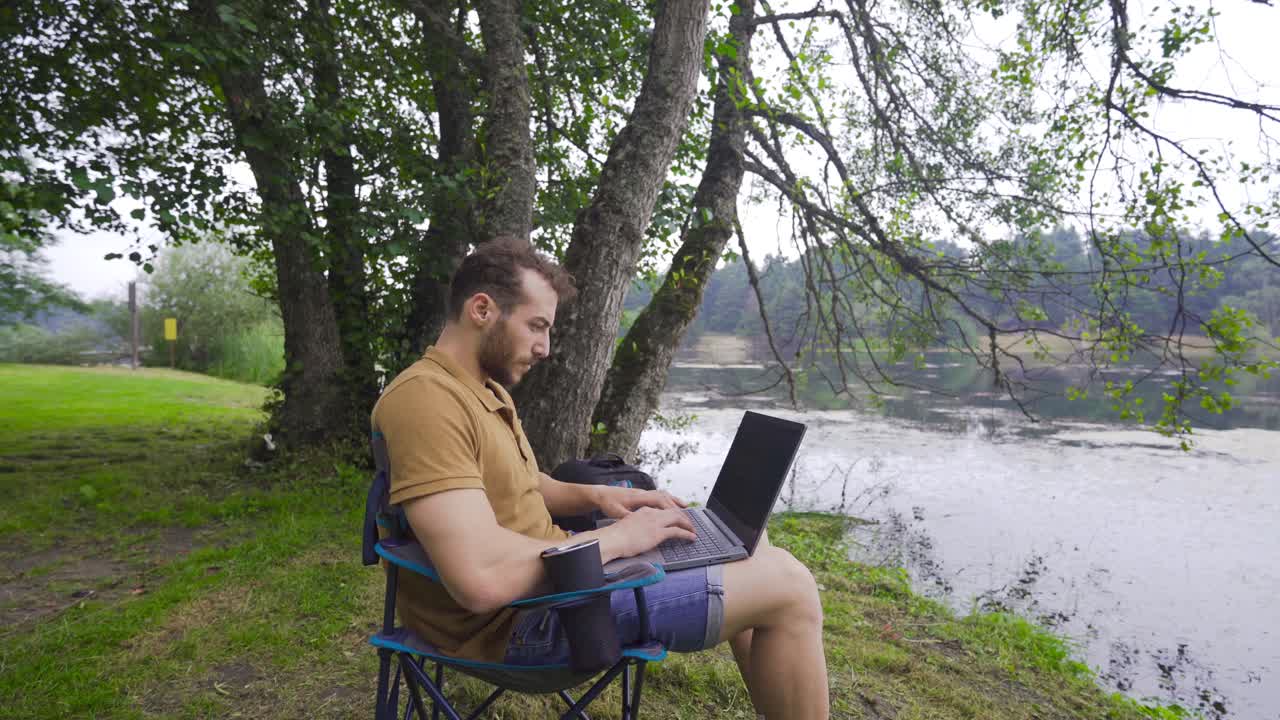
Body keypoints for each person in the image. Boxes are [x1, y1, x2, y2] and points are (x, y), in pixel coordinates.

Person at [371, 236, 829, 719]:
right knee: (791, 586)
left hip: (560, 579)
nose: (545, 348)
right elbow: (480, 580)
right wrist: (620, 539)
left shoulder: (482, 391)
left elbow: (525, 484)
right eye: (536, 326)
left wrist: (603, 497)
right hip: (526, 622)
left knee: (744, 544)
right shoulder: (427, 403)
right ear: (482, 309)